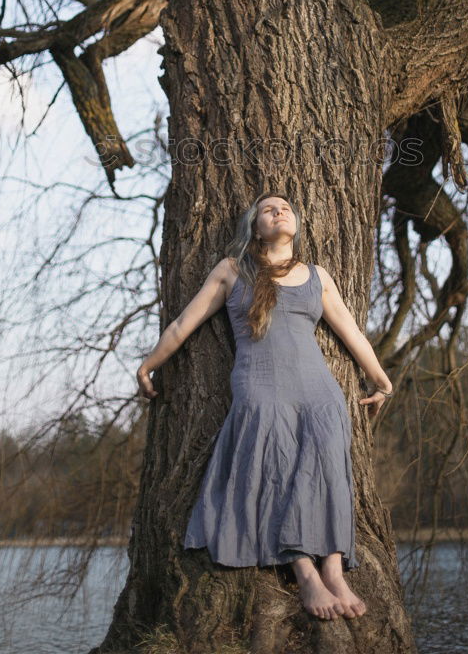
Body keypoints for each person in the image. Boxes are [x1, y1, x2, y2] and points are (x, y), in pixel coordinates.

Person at [136, 191, 393, 621]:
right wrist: (148, 365)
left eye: (287, 208)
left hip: (319, 390)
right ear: (255, 227)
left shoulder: (317, 275)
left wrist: (382, 380)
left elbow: (351, 332)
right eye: (269, 209)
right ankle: (304, 572)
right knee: (278, 467)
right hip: (261, 386)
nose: (280, 211)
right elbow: (183, 323)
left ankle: (334, 568)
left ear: (296, 224)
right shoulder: (233, 271)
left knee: (328, 468)